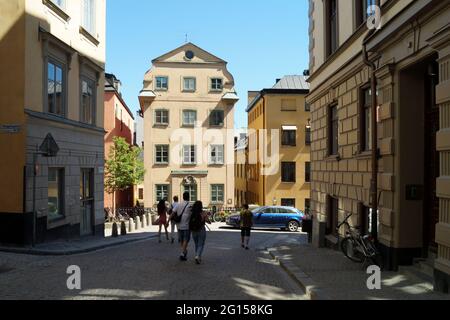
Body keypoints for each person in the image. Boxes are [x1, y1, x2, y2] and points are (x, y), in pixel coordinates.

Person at [173, 192, 192, 261]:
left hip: (179, 226)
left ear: (183, 197)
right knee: (186, 240)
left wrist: (168, 221)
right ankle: (182, 253)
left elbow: (172, 213)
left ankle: (184, 252)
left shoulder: (178, 205)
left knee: (182, 240)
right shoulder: (190, 205)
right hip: (186, 226)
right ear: (189, 197)